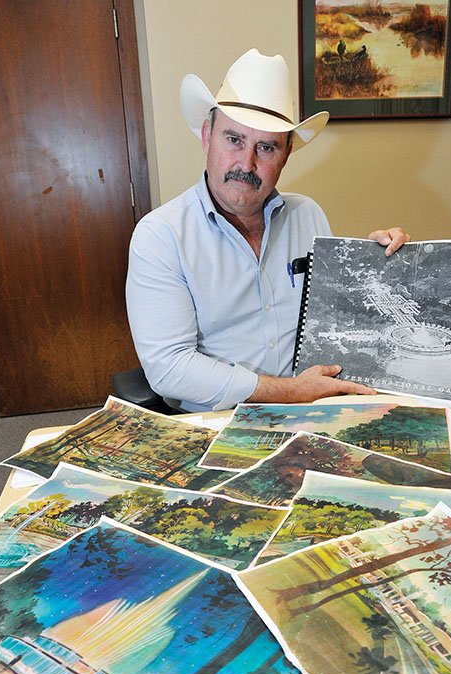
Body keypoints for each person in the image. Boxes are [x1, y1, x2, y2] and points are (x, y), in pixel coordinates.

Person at [126, 48, 410, 413]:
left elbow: (338, 318)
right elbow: (170, 368)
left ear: (287, 154)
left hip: (314, 408)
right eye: (234, 139)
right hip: (214, 422)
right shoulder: (160, 236)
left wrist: (377, 265)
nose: (246, 163)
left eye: (266, 147)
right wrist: (291, 392)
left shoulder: (307, 216)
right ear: (206, 136)